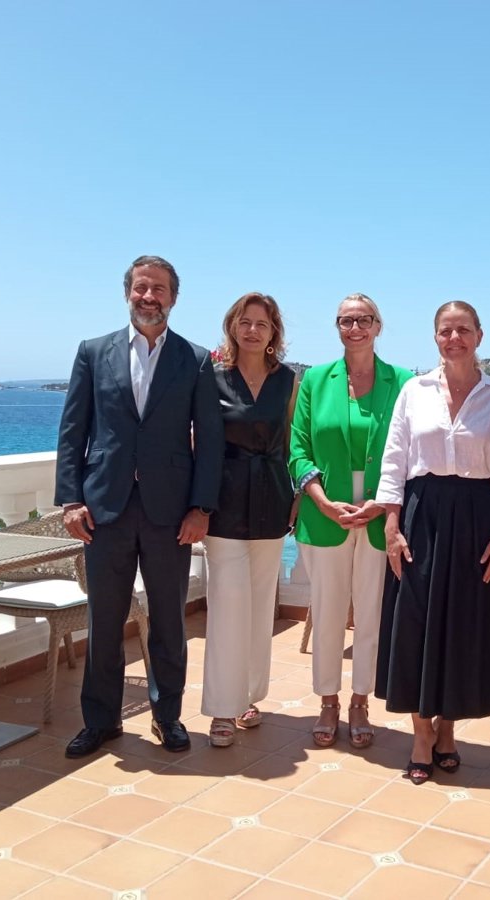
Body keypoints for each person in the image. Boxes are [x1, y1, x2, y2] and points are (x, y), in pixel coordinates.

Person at [55, 255, 223, 758]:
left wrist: (201, 507)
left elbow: (209, 440)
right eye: (141, 288)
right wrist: (70, 499)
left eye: (159, 289)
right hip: (104, 509)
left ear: (174, 298)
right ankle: (100, 721)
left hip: (169, 513)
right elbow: (73, 430)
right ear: (128, 292)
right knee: (104, 620)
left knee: (169, 620)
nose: (149, 297)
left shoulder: (195, 360)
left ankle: (167, 716)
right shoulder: (93, 352)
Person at [376, 301, 490, 785]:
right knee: (415, 622)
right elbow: (394, 459)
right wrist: (391, 524)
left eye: (463, 330)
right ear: (435, 337)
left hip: (477, 517)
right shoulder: (413, 391)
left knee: (463, 624)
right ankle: (421, 734)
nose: (454, 338)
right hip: (422, 513)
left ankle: (448, 729)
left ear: (479, 335)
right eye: (445, 330)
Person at [288, 294, 413, 749]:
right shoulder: (314, 380)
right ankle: (328, 701)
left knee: (373, 614)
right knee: (327, 612)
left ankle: (361, 701)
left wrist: (382, 503)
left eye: (364, 320)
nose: (355, 328)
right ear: (337, 327)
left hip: (380, 517)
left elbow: (411, 449)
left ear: (378, 326)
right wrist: (321, 502)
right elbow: (298, 448)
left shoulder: (403, 381)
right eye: (346, 320)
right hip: (326, 515)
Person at [201, 292, 297, 748]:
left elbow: (293, 443)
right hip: (223, 503)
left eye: (262, 323)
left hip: (272, 501)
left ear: (274, 331)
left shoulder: (288, 381)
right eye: (245, 322)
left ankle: (248, 696)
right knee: (227, 606)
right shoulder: (213, 378)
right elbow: (199, 443)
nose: (253, 330)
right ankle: (222, 707)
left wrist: (297, 495)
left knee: (260, 608)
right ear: (232, 327)